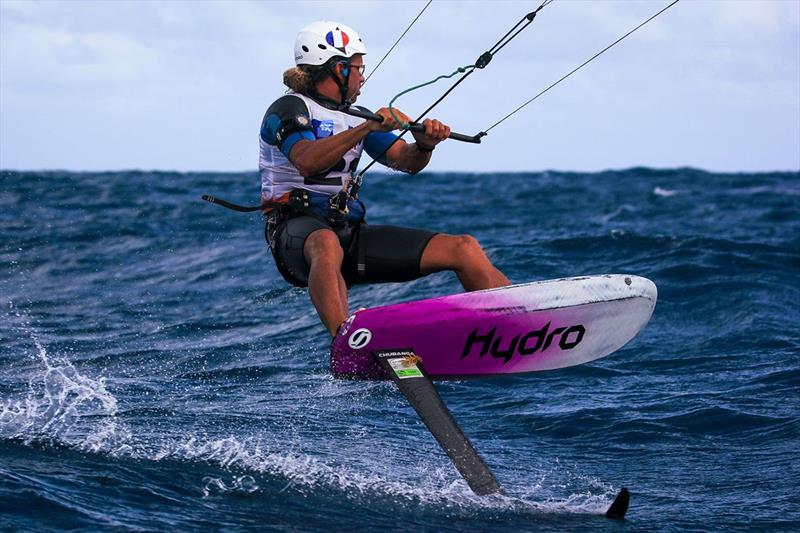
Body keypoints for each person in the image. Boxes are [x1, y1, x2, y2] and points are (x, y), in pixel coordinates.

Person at [260, 21, 510, 337]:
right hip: (294, 237)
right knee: (326, 244)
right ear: (338, 69)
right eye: (358, 68)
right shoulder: (289, 108)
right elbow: (306, 161)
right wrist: (367, 128)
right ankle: (346, 342)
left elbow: (405, 161)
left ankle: (521, 322)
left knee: (464, 248)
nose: (363, 76)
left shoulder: (357, 115)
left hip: (347, 234)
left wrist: (424, 145)